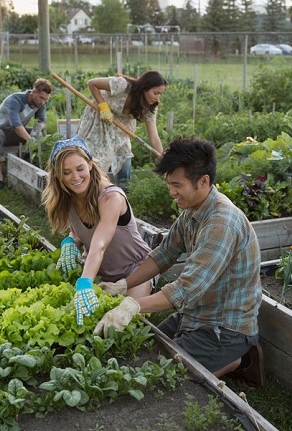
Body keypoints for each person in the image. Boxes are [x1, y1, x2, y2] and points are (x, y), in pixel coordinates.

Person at [94, 136, 265, 387]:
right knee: (145, 349)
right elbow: (163, 255)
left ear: (203, 181)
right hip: (195, 314)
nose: (171, 191)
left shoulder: (221, 223)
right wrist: (123, 285)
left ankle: (235, 358)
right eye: (168, 184)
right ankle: (232, 360)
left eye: (177, 184)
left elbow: (186, 288)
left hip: (223, 328)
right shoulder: (192, 211)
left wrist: (132, 306)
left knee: (158, 378)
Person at [41, 135, 154, 326]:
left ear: (90, 164)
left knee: (126, 322)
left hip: (134, 271)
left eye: (80, 168)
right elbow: (80, 230)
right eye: (66, 172)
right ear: (58, 175)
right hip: (100, 273)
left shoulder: (111, 197)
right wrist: (71, 241)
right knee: (79, 320)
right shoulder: (67, 198)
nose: (75, 177)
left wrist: (85, 283)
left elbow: (100, 244)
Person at [76, 71, 167, 190]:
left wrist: (161, 159)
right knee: (97, 160)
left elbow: (154, 137)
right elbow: (92, 83)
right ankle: (93, 192)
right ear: (145, 88)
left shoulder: (149, 107)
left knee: (124, 160)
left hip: (120, 130)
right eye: (155, 93)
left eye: (160, 94)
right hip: (99, 121)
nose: (157, 98)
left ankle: (124, 194)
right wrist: (103, 105)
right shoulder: (122, 85)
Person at [0, 78, 53, 189]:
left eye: (46, 99)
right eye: (41, 97)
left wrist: (36, 131)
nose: (43, 102)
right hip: (0, 130)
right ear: (33, 92)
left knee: (43, 137)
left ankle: (37, 166)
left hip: (15, 133)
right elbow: (16, 126)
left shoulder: (40, 104)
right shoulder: (15, 100)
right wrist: (31, 141)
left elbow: (42, 121)